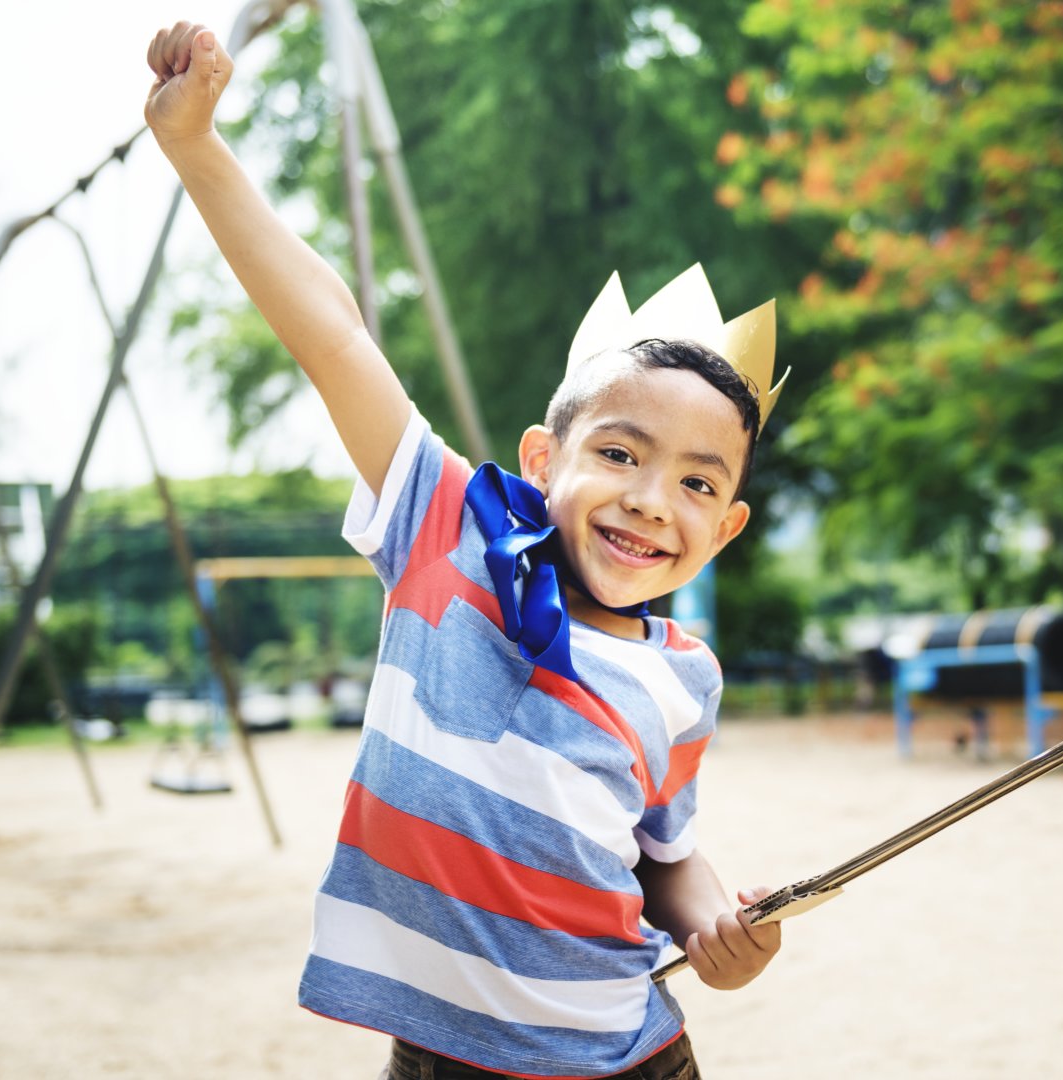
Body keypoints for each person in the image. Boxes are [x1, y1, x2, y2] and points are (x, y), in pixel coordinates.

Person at [145, 21, 786, 1079]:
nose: (649, 500)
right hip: (436, 1063)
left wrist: (721, 926)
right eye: (619, 453)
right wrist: (198, 150)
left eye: (696, 483)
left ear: (723, 529)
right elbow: (337, 335)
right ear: (543, 458)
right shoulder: (450, 532)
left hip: (628, 1061)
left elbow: (662, 861)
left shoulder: (684, 677)